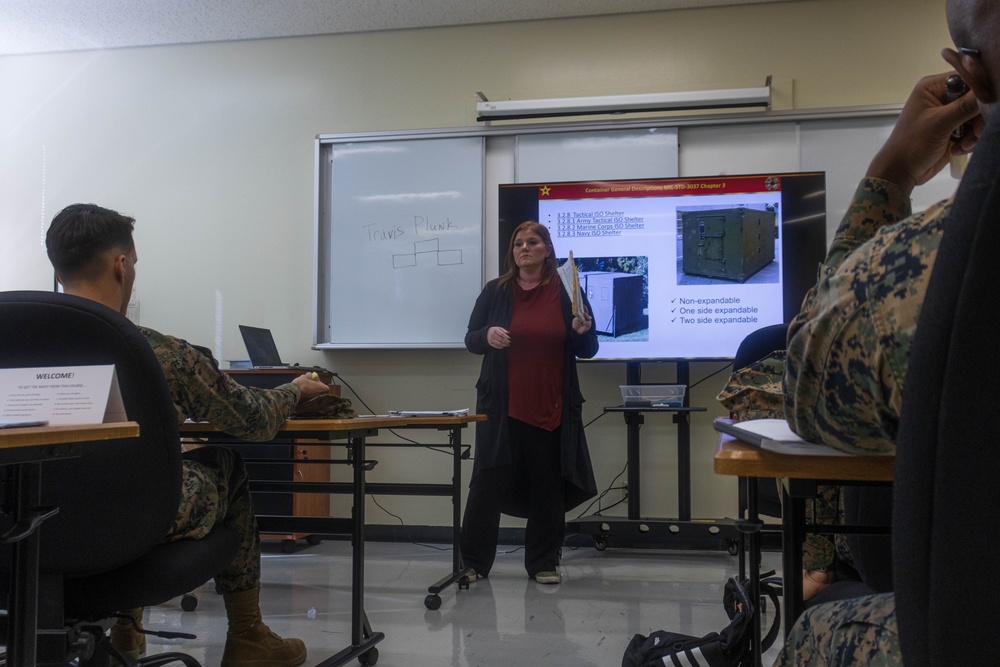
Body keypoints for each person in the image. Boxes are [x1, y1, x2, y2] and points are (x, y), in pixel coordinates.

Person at [775, 1, 995, 663]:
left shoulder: (937, 262)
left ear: (970, 80)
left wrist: (891, 172)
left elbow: (807, 373)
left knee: (818, 628)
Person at [45, 203, 332, 667]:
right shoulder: (155, 350)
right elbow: (254, 420)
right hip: (127, 519)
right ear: (122, 265)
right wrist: (295, 390)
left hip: (23, 518)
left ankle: (127, 632)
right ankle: (247, 637)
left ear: (57, 270)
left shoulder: (14, 339)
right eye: (133, 264)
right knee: (223, 464)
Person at [460, 220, 599, 585]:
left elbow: (588, 348)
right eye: (518, 243)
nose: (524, 248)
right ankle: (473, 563)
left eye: (533, 242)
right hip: (500, 406)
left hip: (551, 406)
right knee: (486, 485)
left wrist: (582, 333)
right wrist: (487, 335)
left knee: (547, 487)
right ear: (513, 252)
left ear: (547, 250)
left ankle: (543, 564)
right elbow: (471, 338)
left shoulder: (568, 291)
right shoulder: (496, 291)